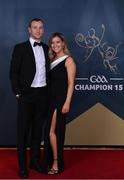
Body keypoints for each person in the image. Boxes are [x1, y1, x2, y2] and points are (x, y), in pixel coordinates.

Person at [9, 18, 50, 178]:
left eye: (41, 28)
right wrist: (18, 93)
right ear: (29, 29)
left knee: (37, 132)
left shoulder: (47, 48)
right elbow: (13, 73)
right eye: (35, 27)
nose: (38, 30)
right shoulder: (20, 48)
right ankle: (22, 167)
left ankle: (34, 161)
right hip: (26, 96)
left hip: (43, 95)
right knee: (23, 132)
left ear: (43, 30)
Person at [44, 32, 76, 174]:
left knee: (53, 131)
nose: (55, 45)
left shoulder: (68, 60)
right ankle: (51, 160)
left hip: (60, 100)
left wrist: (67, 102)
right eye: (53, 43)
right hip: (50, 99)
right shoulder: (51, 60)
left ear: (63, 43)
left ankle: (57, 163)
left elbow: (71, 83)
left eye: (58, 42)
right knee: (50, 131)